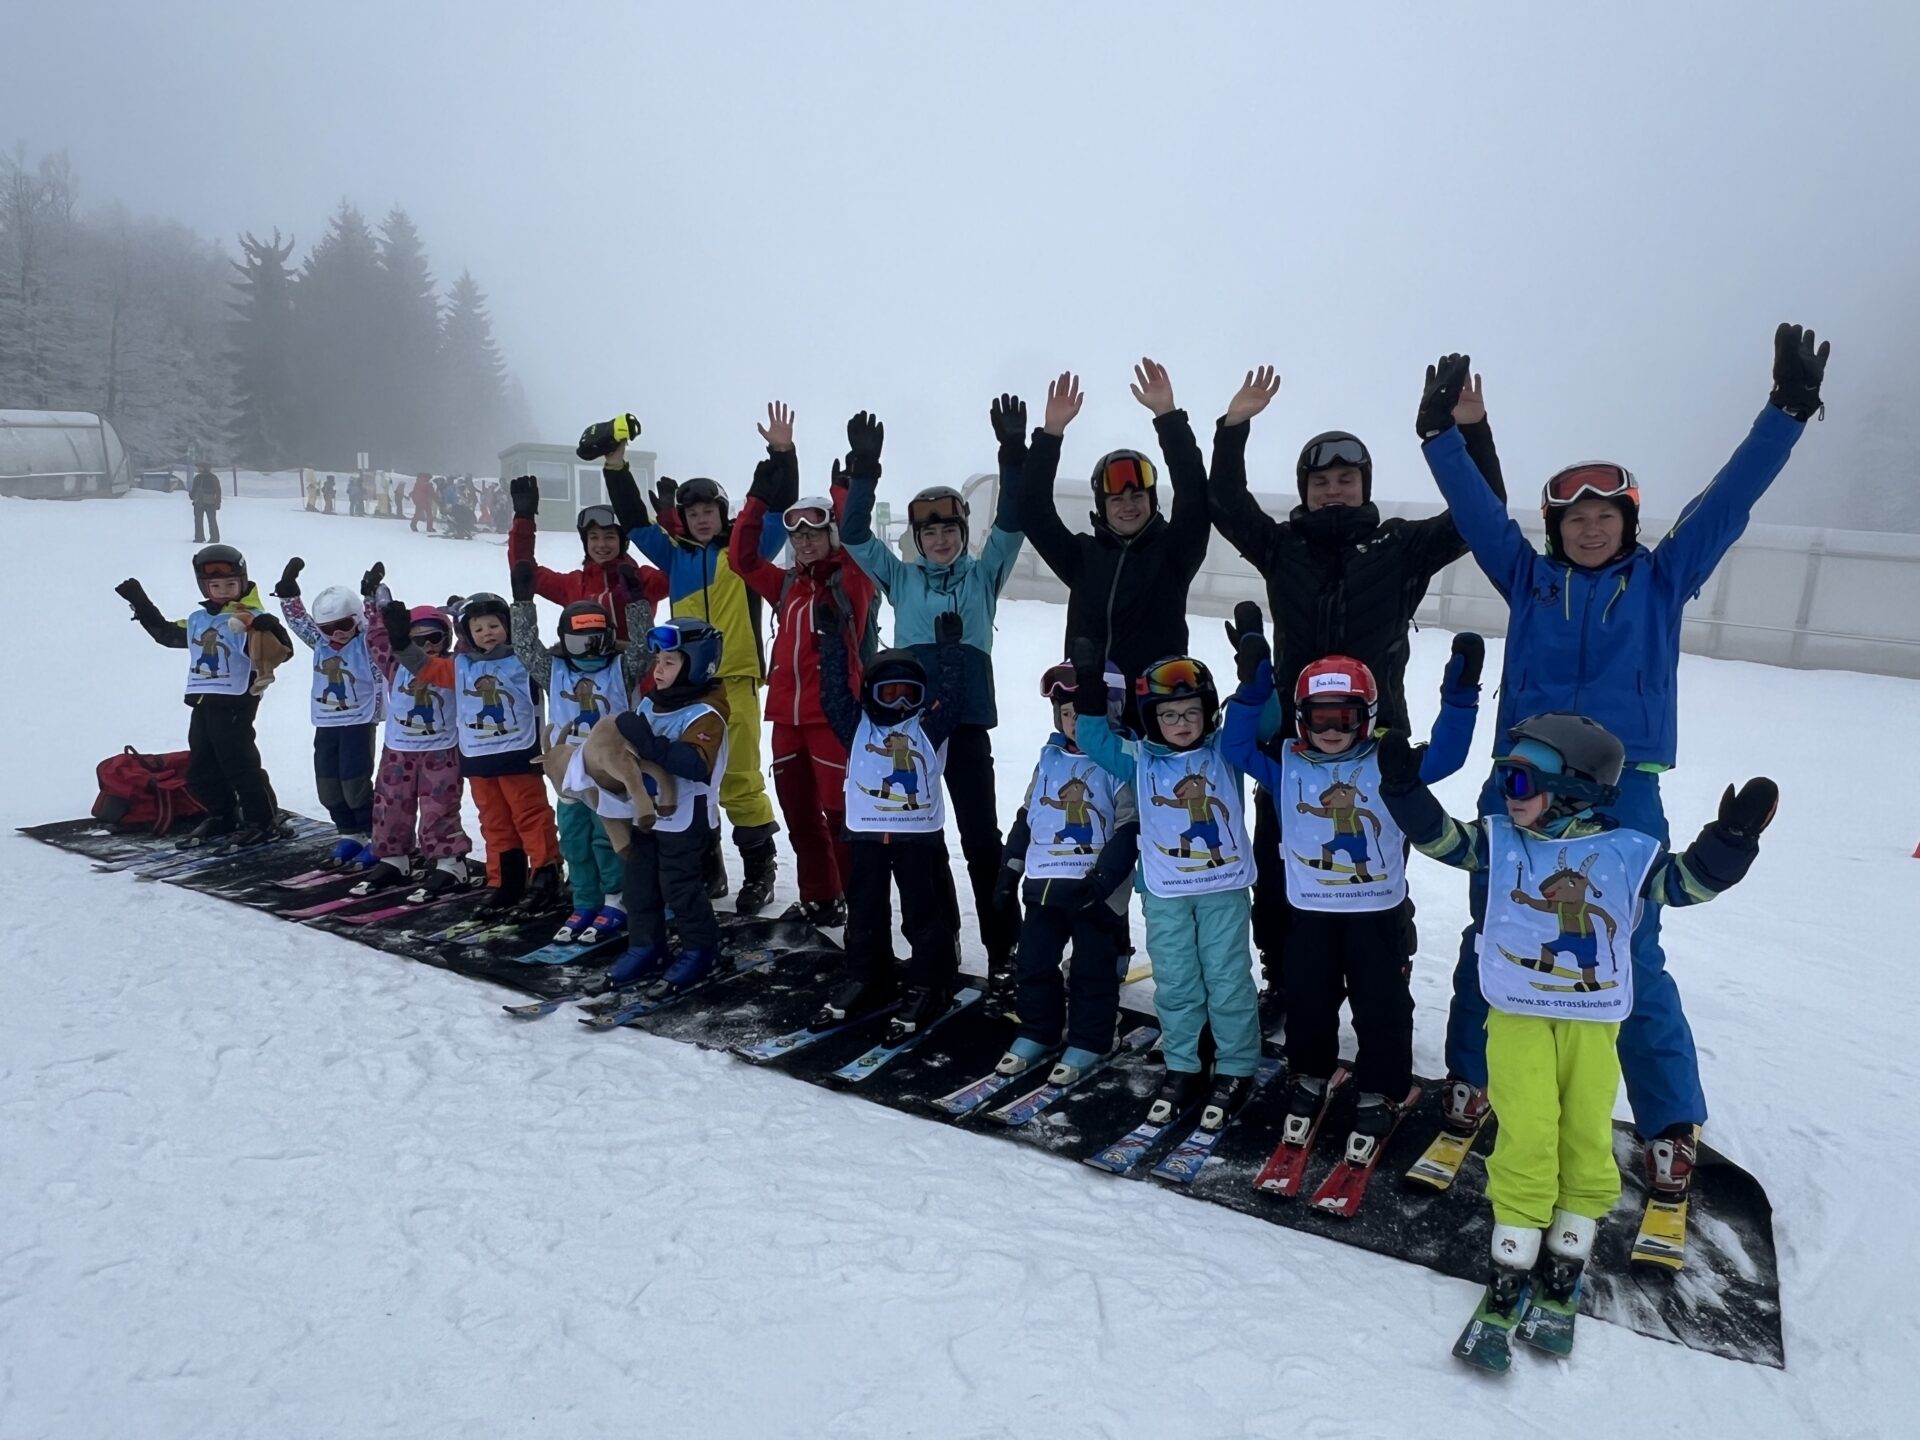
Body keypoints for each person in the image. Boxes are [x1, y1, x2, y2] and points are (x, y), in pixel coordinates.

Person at [1413, 325, 1828, 1194]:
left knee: (1629, 949)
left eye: (1605, 515)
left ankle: (1671, 1124)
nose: (1590, 527)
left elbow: (1728, 502)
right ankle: (1472, 1079)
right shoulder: (1528, 579)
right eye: (1574, 517)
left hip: (1623, 789)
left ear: (1628, 523)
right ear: (1557, 526)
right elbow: (1479, 513)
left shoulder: (1664, 580)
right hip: (1520, 780)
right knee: (1495, 931)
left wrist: (1786, 412)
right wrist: (1439, 439)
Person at [1372, 711, 1776, 1323]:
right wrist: (1404, 793)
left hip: (1592, 1022)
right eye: (1505, 779)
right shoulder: (1501, 841)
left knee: (1585, 1126)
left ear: (1575, 790)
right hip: (1517, 1016)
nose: (1509, 796)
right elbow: (1445, 841)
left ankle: (1573, 1230)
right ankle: (1517, 1231)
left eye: (1520, 783)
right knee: (1527, 1126)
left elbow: (1684, 885)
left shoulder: (1621, 854)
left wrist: (1730, 844)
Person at [1207, 364, 1507, 1014]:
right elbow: (1226, 504)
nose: (1333, 490)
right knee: (1282, 860)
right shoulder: (1283, 548)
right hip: (1294, 743)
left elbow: (1478, 516)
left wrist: (1470, 433)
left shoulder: (1398, 546)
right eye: (1320, 482)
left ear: (1364, 484)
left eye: (1345, 479)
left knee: (1378, 866)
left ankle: (1383, 972)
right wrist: (1234, 427)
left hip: (1378, 747)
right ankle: (1285, 980)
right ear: (1305, 491)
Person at [1221, 604, 1483, 1160]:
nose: (1332, 730)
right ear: (1300, 718)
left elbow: (1447, 757)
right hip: (1309, 912)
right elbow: (1235, 749)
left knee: (1382, 1002)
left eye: (1343, 718)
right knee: (1309, 998)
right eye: (1320, 718)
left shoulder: (1387, 758)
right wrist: (1252, 686)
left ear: (1364, 715)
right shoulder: (1287, 761)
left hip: (1378, 913)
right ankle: (1311, 1072)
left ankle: (1382, 1086)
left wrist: (1459, 700)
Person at [837, 405, 1026, 999]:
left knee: (980, 840)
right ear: (916, 538)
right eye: (929, 532)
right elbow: (854, 536)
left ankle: (1004, 951)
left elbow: (1015, 521)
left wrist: (1012, 454)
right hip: (908, 734)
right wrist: (865, 471)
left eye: (949, 530)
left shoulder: (983, 575)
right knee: (922, 842)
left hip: (965, 725)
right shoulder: (902, 578)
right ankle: (937, 947)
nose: (940, 539)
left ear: (963, 532)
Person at [1070, 643, 1262, 1132]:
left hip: (1222, 890)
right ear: (1152, 718)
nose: (1181, 723)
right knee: (1175, 982)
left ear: (1206, 714)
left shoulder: (1226, 752)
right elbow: (1094, 738)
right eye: (1170, 714)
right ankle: (1184, 1064)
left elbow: (1261, 721)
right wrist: (1091, 690)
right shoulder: (1138, 759)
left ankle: (1236, 1066)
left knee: (1227, 980)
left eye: (1192, 712)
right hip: (1165, 892)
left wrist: (1254, 673)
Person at [601, 426, 786, 911]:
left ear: (723, 514)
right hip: (682, 688)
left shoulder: (745, 553)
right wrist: (616, 466)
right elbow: (636, 523)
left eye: (710, 511)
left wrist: (780, 454)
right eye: (693, 513)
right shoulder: (675, 554)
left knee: (740, 776)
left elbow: (778, 508)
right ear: (683, 519)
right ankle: (709, 868)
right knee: (685, 778)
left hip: (734, 680)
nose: (703, 519)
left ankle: (759, 870)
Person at [728, 404, 878, 928]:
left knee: (839, 818)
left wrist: (851, 488)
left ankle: (862, 905)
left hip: (832, 717)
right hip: (785, 719)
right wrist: (760, 492)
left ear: (831, 534)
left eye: (816, 532)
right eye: (799, 535)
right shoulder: (789, 585)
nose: (806, 541)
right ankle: (820, 896)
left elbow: (857, 543)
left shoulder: (852, 580)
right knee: (798, 817)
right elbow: (742, 560)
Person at [812, 608, 970, 1044]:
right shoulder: (855, 724)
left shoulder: (927, 726)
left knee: (924, 913)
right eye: (889, 693)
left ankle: (929, 981)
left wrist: (950, 652)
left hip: (917, 838)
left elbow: (954, 698)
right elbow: (832, 694)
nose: (900, 704)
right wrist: (832, 643)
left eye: (909, 694)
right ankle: (869, 975)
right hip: (865, 836)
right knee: (864, 910)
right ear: (870, 696)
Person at [1017, 361, 1213, 689]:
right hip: (1092, 710)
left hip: (1159, 716)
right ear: (1102, 507)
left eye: (1137, 496)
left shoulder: (1175, 553)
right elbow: (1032, 511)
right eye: (1116, 499)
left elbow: (1194, 493)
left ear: (1152, 501)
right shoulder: (1083, 557)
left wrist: (1167, 415)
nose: (1128, 506)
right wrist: (1051, 435)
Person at [990, 659, 1140, 1085]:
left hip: (1095, 892)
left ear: (1109, 710)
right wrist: (1009, 869)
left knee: (1093, 969)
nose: (1073, 723)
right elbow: (1028, 816)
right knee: (1034, 961)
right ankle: (1040, 1029)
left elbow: (1130, 828)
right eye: (1066, 714)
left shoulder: (1122, 761)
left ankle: (1092, 1039)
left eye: (1082, 713)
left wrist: (1104, 880)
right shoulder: (1050, 758)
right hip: (1044, 885)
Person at [383, 592, 562, 914]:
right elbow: (423, 667)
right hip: (479, 758)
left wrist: (523, 607)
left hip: (518, 756)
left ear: (507, 627)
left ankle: (545, 875)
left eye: (494, 625)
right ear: (467, 634)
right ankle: (504, 881)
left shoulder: (525, 659)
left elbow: (532, 643)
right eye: (478, 629)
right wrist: (399, 641)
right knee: (494, 822)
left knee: (530, 816)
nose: (487, 633)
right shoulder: (460, 665)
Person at [112, 545, 293, 847]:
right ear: (204, 586)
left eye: (230, 584)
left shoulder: (251, 617)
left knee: (239, 764)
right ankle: (223, 816)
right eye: (215, 585)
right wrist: (140, 604)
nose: (223, 591)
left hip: (236, 701)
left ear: (243, 582)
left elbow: (282, 652)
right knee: (201, 768)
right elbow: (167, 635)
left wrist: (270, 627)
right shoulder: (199, 619)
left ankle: (263, 821)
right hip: (203, 700)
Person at [509, 562, 651, 945]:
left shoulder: (622, 668)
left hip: (609, 769)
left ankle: (616, 899)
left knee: (609, 837)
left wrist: (637, 601)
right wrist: (522, 602)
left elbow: (644, 645)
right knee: (573, 838)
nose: (589, 652)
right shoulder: (553, 669)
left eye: (596, 642)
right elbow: (525, 647)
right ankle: (585, 899)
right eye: (578, 644)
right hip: (568, 769)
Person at [602, 620, 732, 996]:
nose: (657, 669)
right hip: (648, 814)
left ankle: (701, 950)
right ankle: (646, 945)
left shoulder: (706, 713)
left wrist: (647, 741)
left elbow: (695, 765)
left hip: (687, 819)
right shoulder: (652, 701)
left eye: (670, 662)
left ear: (697, 665)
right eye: (657, 660)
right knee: (639, 883)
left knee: (680, 887)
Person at [352, 563, 474, 897]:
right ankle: (394, 857)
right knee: (391, 803)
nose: (427, 646)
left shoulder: (454, 664)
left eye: (435, 638)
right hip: (399, 750)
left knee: (439, 808)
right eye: (418, 640)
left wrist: (463, 618)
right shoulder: (394, 664)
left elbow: (470, 645)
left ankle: (450, 861)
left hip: (442, 750)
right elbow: (377, 636)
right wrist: (373, 601)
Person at [272, 558, 380, 865]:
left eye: (345, 625)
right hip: (327, 721)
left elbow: (378, 628)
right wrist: (289, 594)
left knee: (354, 783)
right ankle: (349, 833)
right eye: (328, 628)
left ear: (357, 620)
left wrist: (371, 598)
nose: (338, 634)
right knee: (328, 784)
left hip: (358, 721)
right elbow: (298, 622)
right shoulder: (320, 642)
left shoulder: (367, 644)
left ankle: (376, 835)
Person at [505, 474, 668, 644]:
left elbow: (681, 569)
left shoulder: (642, 579)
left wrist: (671, 524)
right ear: (586, 542)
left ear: (623, 542)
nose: (601, 544)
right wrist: (524, 519)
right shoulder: (572, 585)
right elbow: (524, 570)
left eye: (610, 537)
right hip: (586, 667)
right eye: (594, 537)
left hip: (636, 667)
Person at [190, 463, 222, 543]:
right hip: (198, 501)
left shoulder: (213, 478)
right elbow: (194, 488)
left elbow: (218, 490)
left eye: (200, 467)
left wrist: (217, 502)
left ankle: (214, 538)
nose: (199, 468)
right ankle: (199, 537)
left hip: (210, 502)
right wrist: (192, 495)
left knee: (212, 520)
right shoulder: (197, 477)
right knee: (198, 520)